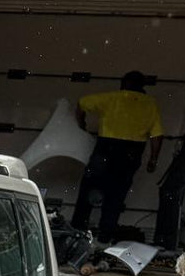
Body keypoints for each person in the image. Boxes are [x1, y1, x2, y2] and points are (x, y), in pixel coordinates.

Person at [70, 71, 164, 242]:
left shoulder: (111, 98)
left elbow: (81, 103)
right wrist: (153, 159)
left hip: (106, 149)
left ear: (123, 83)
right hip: (131, 153)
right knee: (116, 196)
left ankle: (76, 231)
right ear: (142, 86)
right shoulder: (150, 104)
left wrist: (81, 124)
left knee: (88, 191)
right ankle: (105, 236)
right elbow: (156, 136)